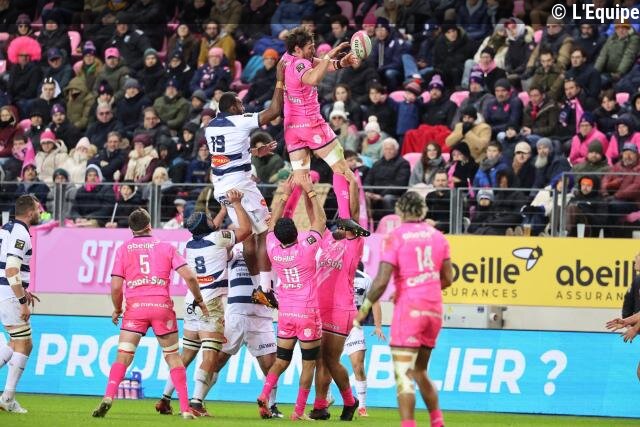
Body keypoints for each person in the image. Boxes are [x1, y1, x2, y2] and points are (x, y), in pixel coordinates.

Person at [92, 208, 209, 419]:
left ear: (131, 229)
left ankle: (108, 396)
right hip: (161, 307)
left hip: (135, 309)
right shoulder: (166, 247)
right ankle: (185, 408)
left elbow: (116, 287)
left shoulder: (123, 249)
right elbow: (190, 277)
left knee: (123, 355)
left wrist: (117, 309)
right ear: (149, 226)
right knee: (173, 357)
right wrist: (199, 300)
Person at [354, 191, 453, 427]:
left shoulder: (395, 237)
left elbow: (381, 281)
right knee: (420, 371)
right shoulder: (438, 237)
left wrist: (363, 310)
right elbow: (448, 278)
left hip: (409, 310)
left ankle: (408, 424)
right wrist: (425, 286)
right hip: (433, 310)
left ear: (399, 210)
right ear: (423, 210)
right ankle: (437, 421)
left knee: (404, 375)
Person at [156, 190, 251, 417]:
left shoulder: (190, 243)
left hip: (192, 302)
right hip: (211, 303)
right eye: (209, 219)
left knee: (186, 354)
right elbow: (246, 230)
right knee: (210, 355)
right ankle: (196, 402)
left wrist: (223, 210)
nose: (212, 219)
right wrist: (237, 204)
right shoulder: (218, 239)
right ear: (207, 227)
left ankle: (165, 398)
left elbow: (211, 228)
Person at [204, 58, 284, 308]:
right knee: (265, 231)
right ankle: (265, 288)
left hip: (222, 187)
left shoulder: (210, 127)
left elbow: (229, 150)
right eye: (240, 103)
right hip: (241, 185)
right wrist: (280, 80)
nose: (243, 105)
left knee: (247, 236)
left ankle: (257, 287)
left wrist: (254, 152)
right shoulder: (239, 120)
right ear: (233, 106)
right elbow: (274, 112)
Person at [280, 26, 369, 238]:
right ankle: (345, 217)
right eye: (309, 47)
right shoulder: (301, 64)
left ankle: (288, 223)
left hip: (292, 130)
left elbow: (317, 64)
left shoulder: (286, 59)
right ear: (297, 49)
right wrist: (330, 54)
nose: (313, 50)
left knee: (302, 180)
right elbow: (312, 78)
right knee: (342, 170)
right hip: (312, 125)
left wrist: (340, 63)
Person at [256, 174, 326, 421]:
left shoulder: (272, 247)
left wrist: (285, 194)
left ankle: (265, 394)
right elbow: (321, 221)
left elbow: (271, 224)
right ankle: (298, 411)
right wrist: (310, 190)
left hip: (286, 313)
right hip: (307, 312)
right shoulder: (306, 247)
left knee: (281, 360)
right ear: (297, 232)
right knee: (309, 363)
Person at [202, 243, 283, 418]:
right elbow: (226, 252)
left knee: (271, 366)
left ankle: (272, 405)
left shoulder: (273, 247)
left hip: (261, 317)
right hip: (235, 316)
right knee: (216, 361)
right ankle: (198, 400)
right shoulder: (236, 247)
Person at [310, 174, 363, 421]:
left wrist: (352, 184)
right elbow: (316, 217)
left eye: (345, 225)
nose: (341, 226)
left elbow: (354, 212)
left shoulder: (355, 243)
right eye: (339, 224)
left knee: (331, 359)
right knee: (320, 360)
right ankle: (320, 406)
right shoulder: (327, 240)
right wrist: (309, 190)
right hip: (320, 307)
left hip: (341, 308)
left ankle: (350, 401)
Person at [0, 195, 41, 414]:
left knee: (16, 343)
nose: (40, 212)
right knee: (24, 344)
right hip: (9, 294)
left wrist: (22, 289)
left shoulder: (6, 229)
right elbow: (11, 269)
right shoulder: (21, 234)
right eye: (38, 208)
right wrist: (22, 301)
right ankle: (7, 399)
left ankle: (7, 398)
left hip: (5, 291)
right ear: (30, 212)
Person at [343, 265, 384, 418]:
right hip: (333, 326)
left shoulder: (365, 279)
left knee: (358, 365)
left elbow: (375, 301)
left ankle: (362, 406)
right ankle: (325, 399)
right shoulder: (333, 273)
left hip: (354, 327)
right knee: (325, 365)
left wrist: (378, 326)